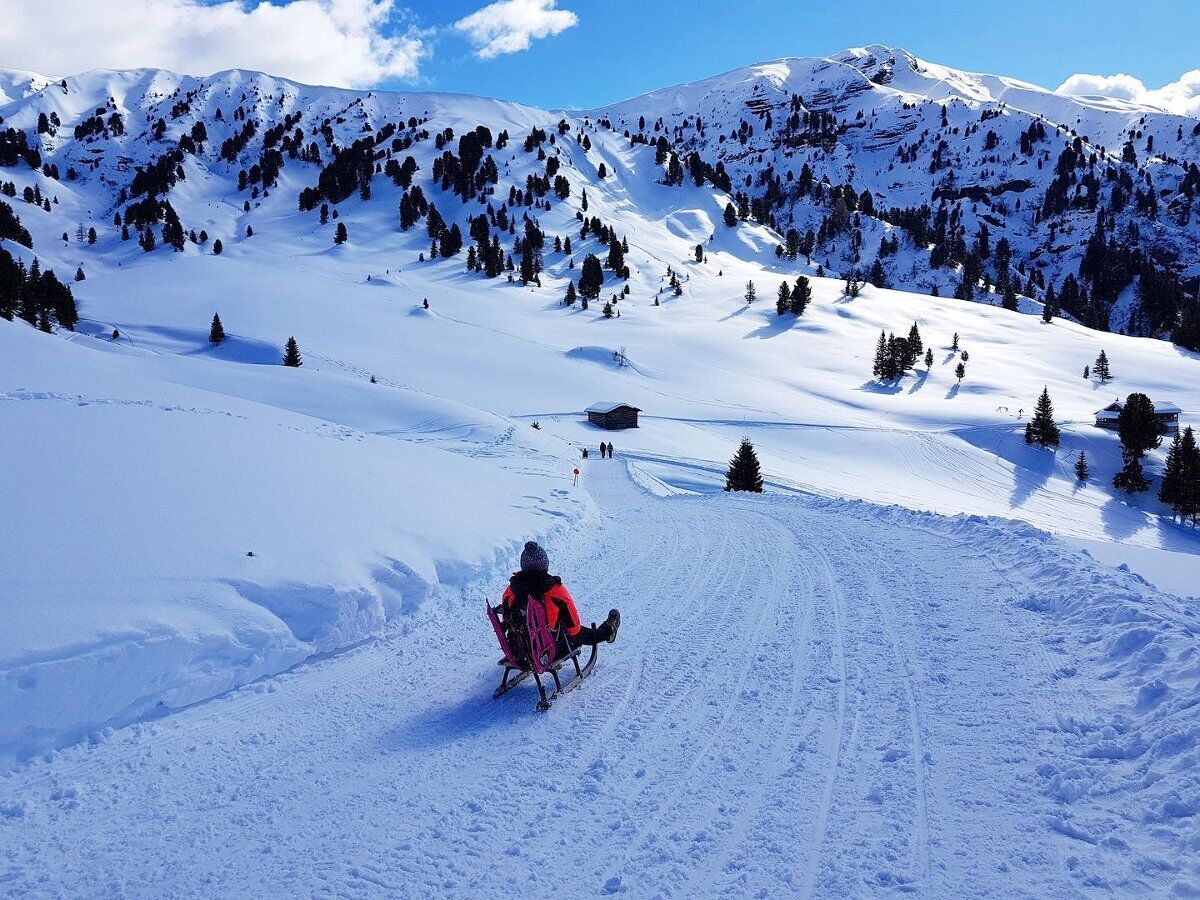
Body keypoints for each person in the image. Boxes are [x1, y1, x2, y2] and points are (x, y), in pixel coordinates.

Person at [502, 542, 620, 651]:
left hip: (519, 649)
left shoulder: (510, 590)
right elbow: (574, 630)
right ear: (545, 564)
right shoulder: (555, 590)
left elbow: (507, 620)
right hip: (549, 648)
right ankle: (608, 631)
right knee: (578, 632)